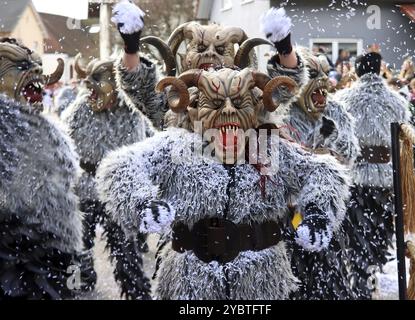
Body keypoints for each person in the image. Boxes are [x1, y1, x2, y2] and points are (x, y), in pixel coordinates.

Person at [96, 66, 351, 300]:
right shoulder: (177, 147)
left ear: (255, 110)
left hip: (259, 279)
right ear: (196, 108)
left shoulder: (270, 149)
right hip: (190, 280)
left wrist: (318, 213)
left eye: (240, 103)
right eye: (215, 103)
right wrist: (141, 202)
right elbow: (121, 164)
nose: (228, 111)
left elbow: (323, 171)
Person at [260, 7, 359, 299]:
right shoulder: (281, 113)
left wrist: (330, 145)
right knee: (290, 278)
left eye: (323, 91)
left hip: (323, 208)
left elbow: (349, 156)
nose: (319, 98)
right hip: (286, 212)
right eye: (312, 90)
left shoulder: (337, 112)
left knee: (327, 278)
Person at [61, 53, 154, 299]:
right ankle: (81, 279)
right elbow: (64, 147)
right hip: (85, 188)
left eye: (97, 79)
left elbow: (146, 147)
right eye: (88, 80)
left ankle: (136, 290)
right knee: (78, 243)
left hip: (117, 193)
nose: (88, 86)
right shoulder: (80, 110)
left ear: (116, 84)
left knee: (127, 250)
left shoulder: (134, 113)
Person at [0, 38, 82, 299]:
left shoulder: (48, 131)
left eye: (36, 65)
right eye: (21, 65)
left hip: (52, 254)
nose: (35, 71)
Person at [334, 51, 410, 299]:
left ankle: (358, 276)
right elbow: (404, 138)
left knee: (355, 233)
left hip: (354, 175)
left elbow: (336, 138)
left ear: (356, 71)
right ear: (379, 70)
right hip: (386, 178)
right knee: (379, 231)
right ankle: (368, 273)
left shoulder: (343, 99)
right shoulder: (397, 102)